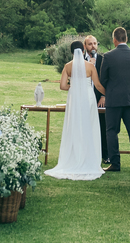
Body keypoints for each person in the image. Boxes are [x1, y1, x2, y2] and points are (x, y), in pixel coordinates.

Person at [45, 42, 106, 180]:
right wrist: (107, 94)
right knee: (89, 125)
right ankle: (90, 158)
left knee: (75, 126)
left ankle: (74, 156)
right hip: (88, 97)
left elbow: (62, 86)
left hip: (74, 98)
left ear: (71, 51)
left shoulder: (67, 66)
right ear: (84, 49)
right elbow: (97, 85)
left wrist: (73, 87)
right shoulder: (90, 66)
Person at [99, 27, 130, 173]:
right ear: (126, 38)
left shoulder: (108, 56)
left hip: (113, 99)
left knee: (112, 131)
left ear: (114, 40)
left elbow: (103, 79)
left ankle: (115, 164)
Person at [82, 35, 108, 164]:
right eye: (90, 44)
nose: (93, 46)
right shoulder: (80, 60)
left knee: (103, 126)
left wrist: (104, 96)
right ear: (85, 46)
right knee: (85, 126)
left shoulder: (104, 60)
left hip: (99, 99)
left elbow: (107, 79)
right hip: (84, 98)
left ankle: (105, 154)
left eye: (95, 44)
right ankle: (86, 154)